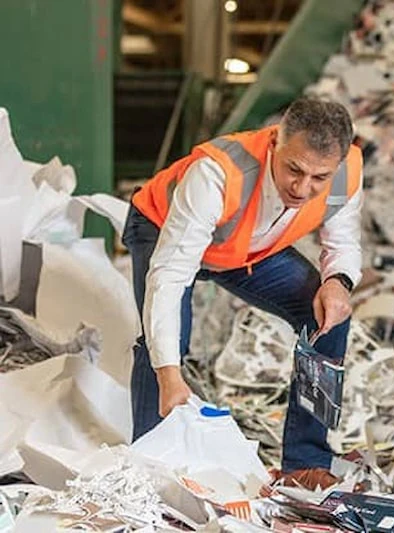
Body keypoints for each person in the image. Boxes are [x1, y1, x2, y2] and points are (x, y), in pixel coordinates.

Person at [122, 97, 363, 490]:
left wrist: (339, 281)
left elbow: (343, 242)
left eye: (319, 178)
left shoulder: (346, 172)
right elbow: (170, 274)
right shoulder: (217, 174)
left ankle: (304, 462)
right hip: (162, 228)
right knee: (165, 343)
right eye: (293, 170)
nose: (303, 188)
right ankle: (150, 471)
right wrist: (169, 374)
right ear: (274, 144)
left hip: (247, 249)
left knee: (325, 312)